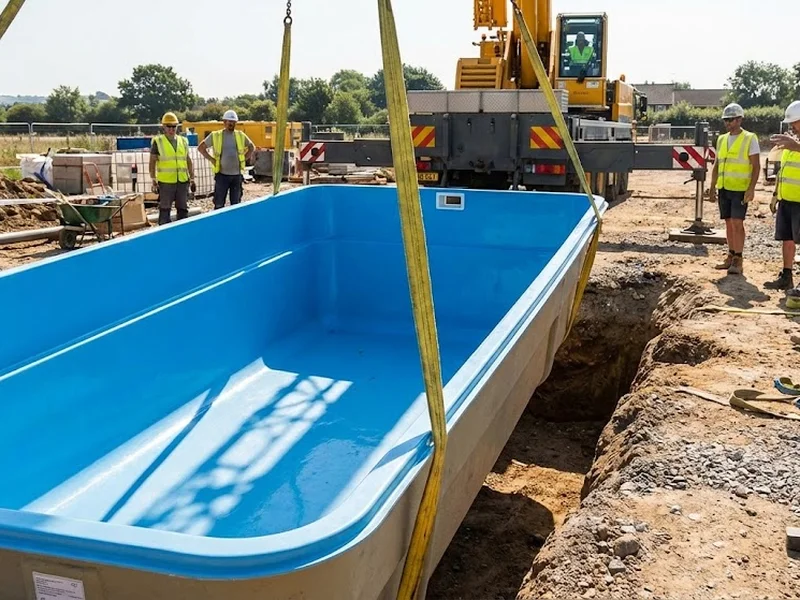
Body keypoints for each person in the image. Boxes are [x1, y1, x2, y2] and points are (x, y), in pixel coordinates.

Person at [708, 103, 761, 275]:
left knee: (738, 223)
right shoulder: (722, 139)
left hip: (739, 189)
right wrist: (712, 186)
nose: (727, 123)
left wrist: (751, 188)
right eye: (725, 120)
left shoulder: (749, 138)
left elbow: (756, 166)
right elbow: (717, 164)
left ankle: (738, 259)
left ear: (739, 119)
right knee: (729, 223)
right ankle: (730, 255)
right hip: (724, 188)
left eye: (730, 120)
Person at [765, 101, 800, 292]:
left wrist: (795, 146)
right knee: (787, 239)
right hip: (786, 200)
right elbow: (783, 172)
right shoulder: (791, 143)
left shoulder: (794, 144)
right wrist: (775, 194)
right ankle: (787, 276)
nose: (791, 127)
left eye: (794, 122)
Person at [197, 110, 255, 210]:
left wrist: (243, 159)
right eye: (229, 122)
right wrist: (212, 160)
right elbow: (201, 147)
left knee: (236, 204)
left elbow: (251, 147)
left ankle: (234, 223)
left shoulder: (240, 135)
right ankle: (219, 224)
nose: (231, 124)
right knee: (219, 204)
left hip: (236, 175)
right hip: (222, 175)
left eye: (233, 122)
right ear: (224, 122)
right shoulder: (216, 135)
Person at [149, 112, 195, 225]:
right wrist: (153, 179)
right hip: (166, 182)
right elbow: (152, 161)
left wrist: (192, 177)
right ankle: (164, 234)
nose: (171, 129)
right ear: (163, 127)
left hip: (182, 181)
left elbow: (188, 160)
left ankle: (183, 233)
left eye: (174, 126)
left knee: (183, 209)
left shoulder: (183, 141)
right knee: (165, 209)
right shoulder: (158, 141)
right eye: (169, 126)